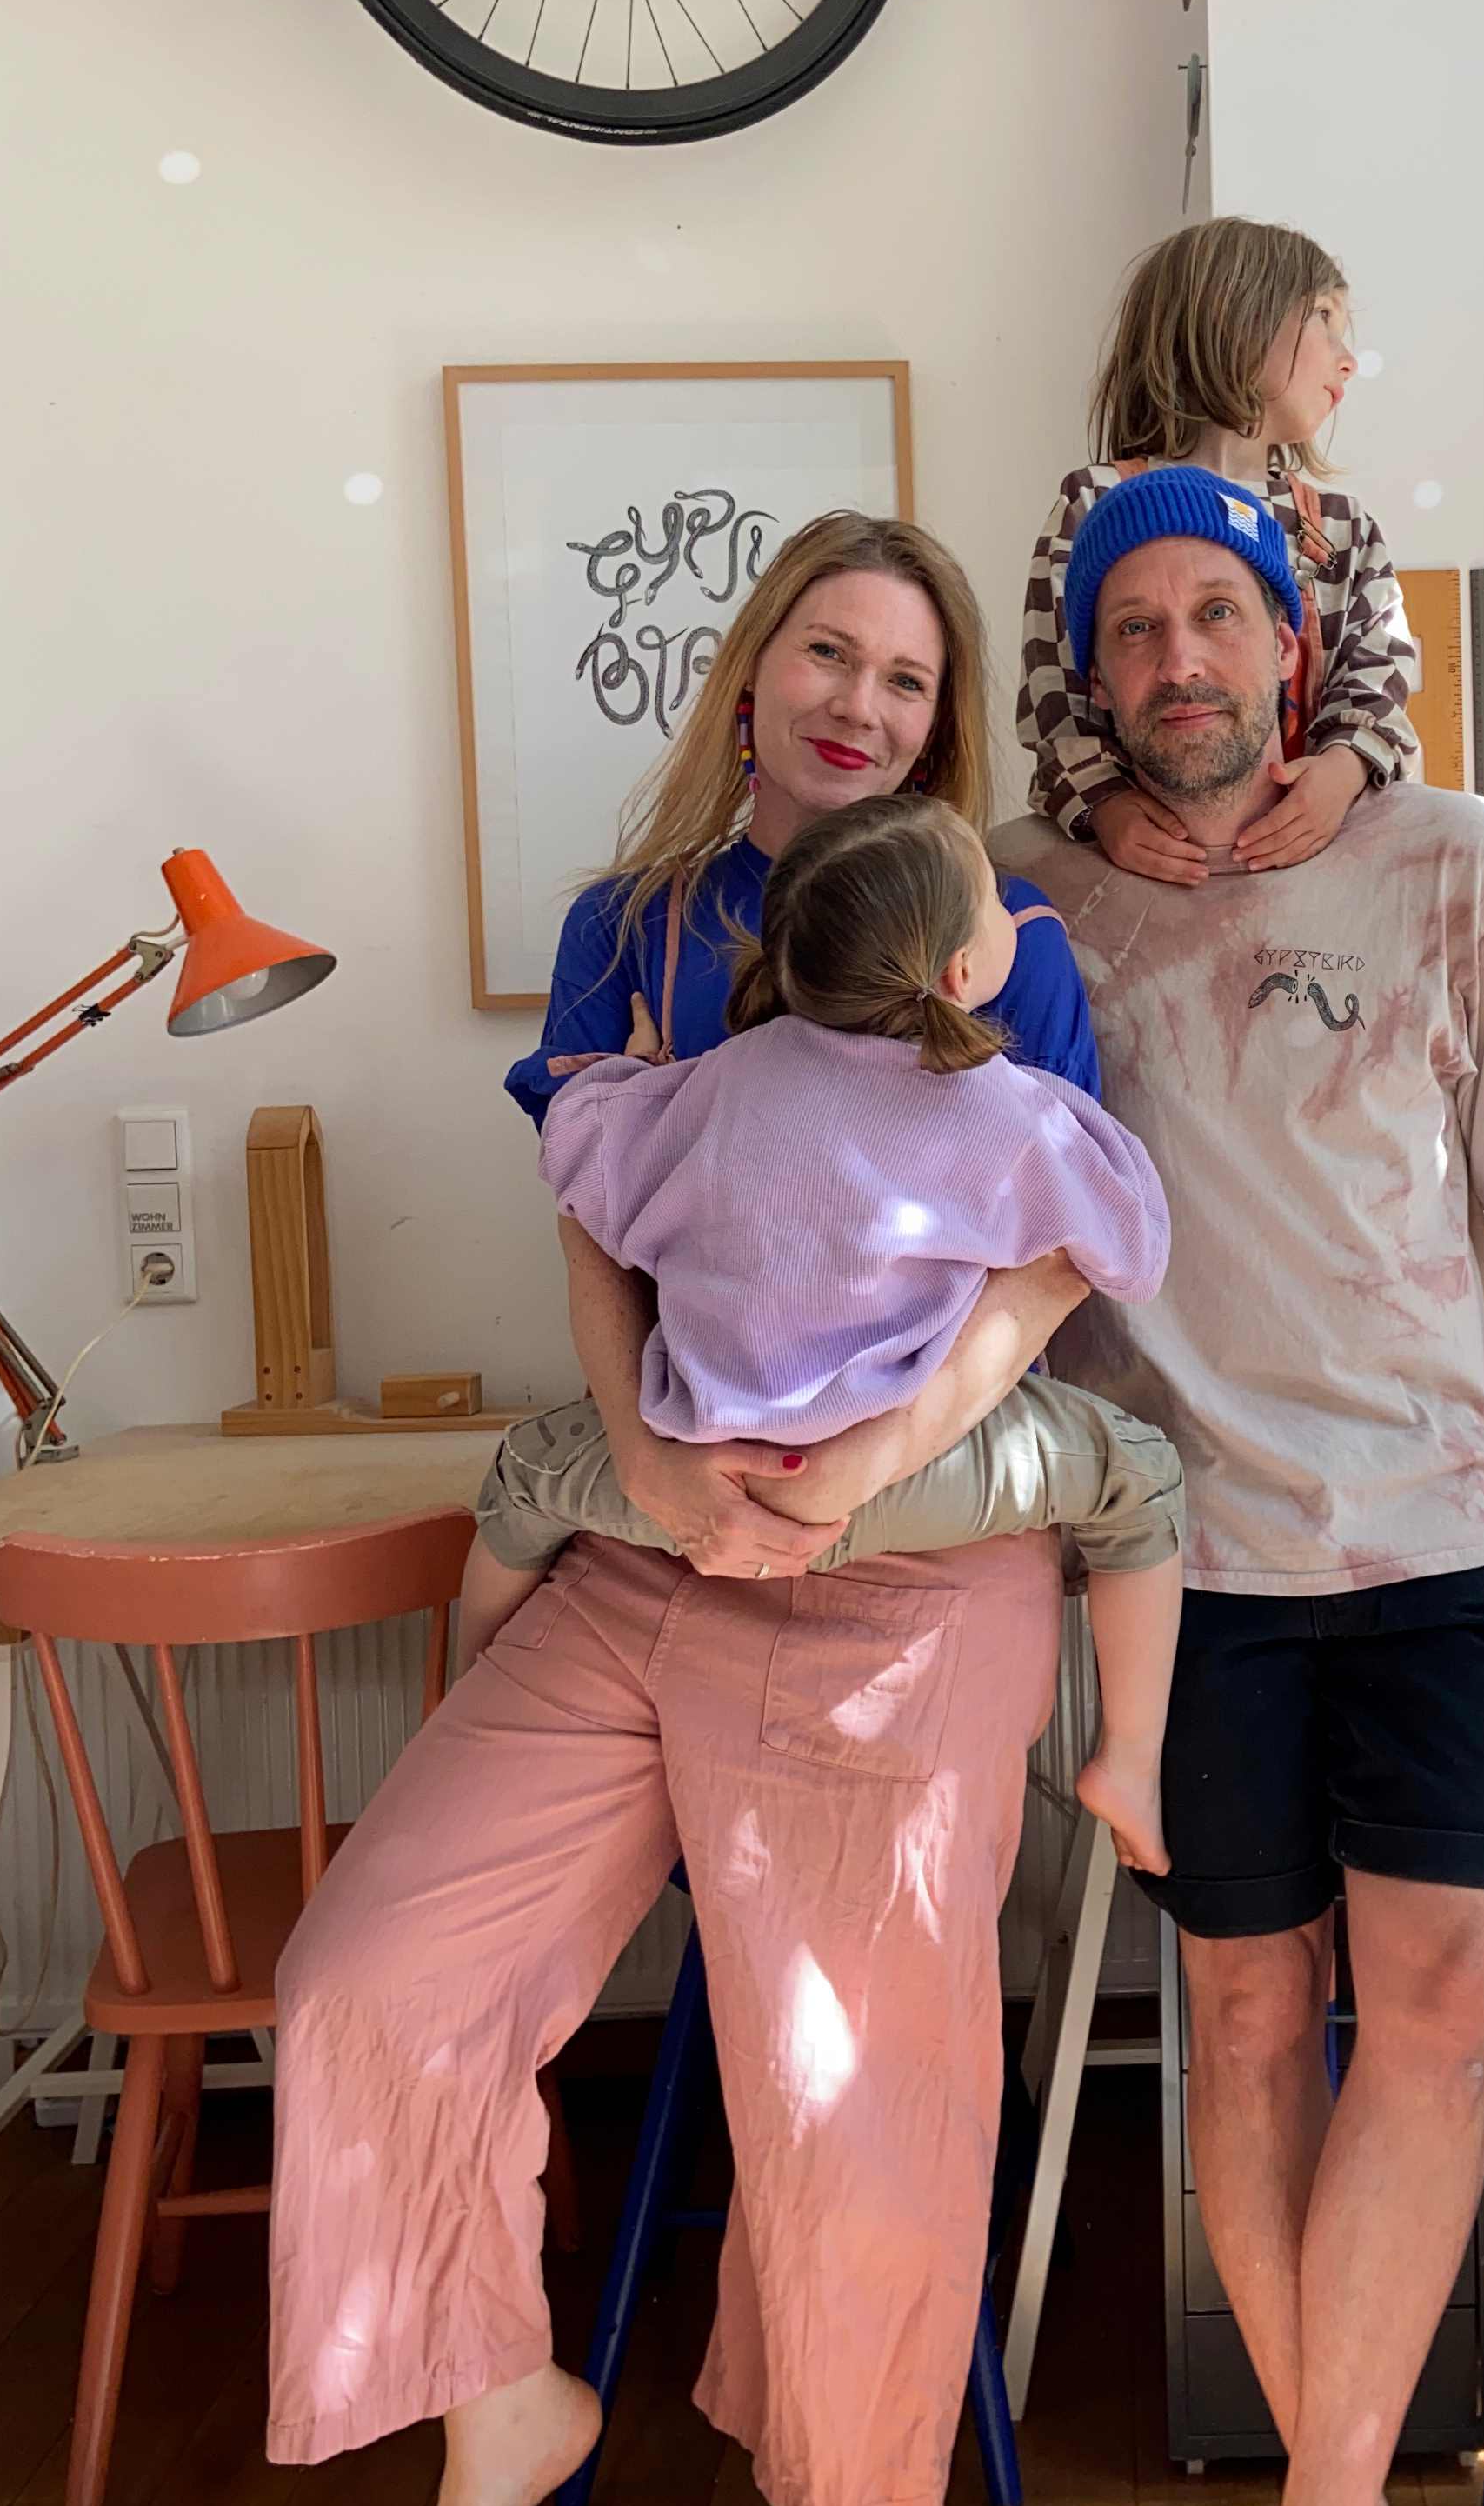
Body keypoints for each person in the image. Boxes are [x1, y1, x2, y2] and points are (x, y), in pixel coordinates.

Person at [269, 512, 1108, 2506]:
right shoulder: (630, 929)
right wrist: (644, 1464)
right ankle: (498, 2394)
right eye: (827, 653)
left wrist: (874, 1461)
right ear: (751, 675)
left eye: (907, 679)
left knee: (850, 2083)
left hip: (898, 1573)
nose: (860, 701)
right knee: (368, 1987)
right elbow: (591, 1210)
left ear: (943, 726)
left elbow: (1054, 1259)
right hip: (648, 1554)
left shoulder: (1003, 943)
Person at [996, 466, 1484, 2506]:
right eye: (1135, 626)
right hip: (1183, 1556)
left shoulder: (1452, 862)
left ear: (1294, 646)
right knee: (1245, 2019)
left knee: (1443, 2005)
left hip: (1440, 1526)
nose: (1178, 658)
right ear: (1090, 672)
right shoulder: (1034, 906)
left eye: (1219, 613)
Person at [467, 795, 1185, 1872]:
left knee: (523, 1484)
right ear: (960, 973)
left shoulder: (713, 1084)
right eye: (995, 904)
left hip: (692, 1474)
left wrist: (632, 1077)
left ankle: (472, 1687)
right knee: (1144, 1483)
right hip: (916, 1487)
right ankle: (1129, 1759)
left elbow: (575, 1154)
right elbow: (1131, 1247)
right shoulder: (1003, 1109)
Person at [1017, 217, 1421, 884]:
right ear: (1236, 319)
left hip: (1318, 871)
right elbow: (1052, 694)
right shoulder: (1094, 503)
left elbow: (1382, 675)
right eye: (1323, 318)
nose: (1346, 358)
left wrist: (1344, 770)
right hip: (1151, 877)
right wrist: (1105, 804)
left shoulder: (1342, 527)